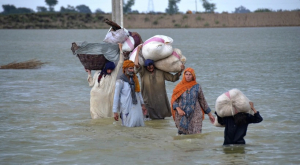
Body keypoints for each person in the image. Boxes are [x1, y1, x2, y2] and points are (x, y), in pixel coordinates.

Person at [171, 68, 215, 135]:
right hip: (182, 114)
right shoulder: (179, 87)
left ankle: (197, 145)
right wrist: (178, 109)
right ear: (184, 75)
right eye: (186, 74)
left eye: (190, 75)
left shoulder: (197, 86)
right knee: (182, 136)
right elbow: (174, 100)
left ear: (193, 76)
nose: (188, 76)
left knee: (196, 135)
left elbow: (202, 101)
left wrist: (210, 115)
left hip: (196, 114)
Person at [86, 43, 124, 119]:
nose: (109, 71)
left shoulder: (113, 74)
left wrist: (120, 49)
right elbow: (91, 84)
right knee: (95, 116)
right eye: (108, 69)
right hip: (95, 99)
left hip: (107, 99)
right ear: (105, 68)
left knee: (107, 115)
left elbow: (120, 62)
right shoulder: (98, 73)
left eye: (111, 69)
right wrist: (89, 73)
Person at [112, 60, 147, 127]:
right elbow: (116, 97)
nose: (132, 70)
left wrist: (143, 105)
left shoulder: (134, 80)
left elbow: (138, 93)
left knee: (138, 125)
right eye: (130, 68)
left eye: (133, 68)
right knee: (127, 126)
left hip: (136, 106)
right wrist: (115, 111)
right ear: (125, 69)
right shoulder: (120, 82)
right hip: (126, 107)